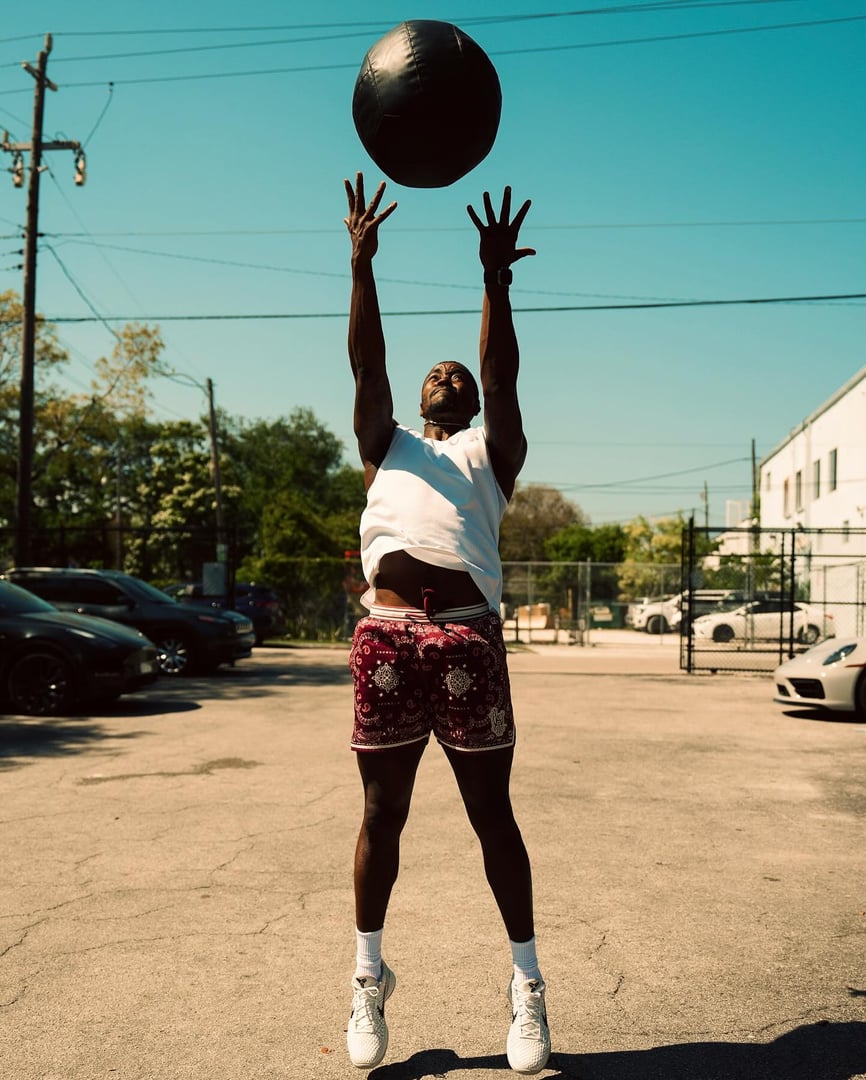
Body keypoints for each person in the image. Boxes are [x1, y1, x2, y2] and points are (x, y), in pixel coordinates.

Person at [342, 171, 549, 1075]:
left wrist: (495, 283)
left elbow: (501, 372)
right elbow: (367, 365)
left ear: (465, 400)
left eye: (454, 372)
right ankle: (366, 975)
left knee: (489, 815)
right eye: (436, 371)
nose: (444, 373)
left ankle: (528, 985)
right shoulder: (384, 442)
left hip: (465, 638)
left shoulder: (490, 452)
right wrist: (362, 267)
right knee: (382, 814)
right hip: (385, 639)